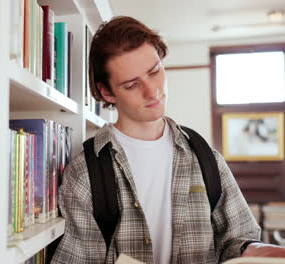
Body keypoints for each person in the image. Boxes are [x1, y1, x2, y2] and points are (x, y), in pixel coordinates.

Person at [51, 16, 285, 264]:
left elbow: (236, 239)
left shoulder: (206, 158)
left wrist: (261, 251)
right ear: (107, 92)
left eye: (154, 71)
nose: (152, 91)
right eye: (131, 85)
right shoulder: (86, 172)